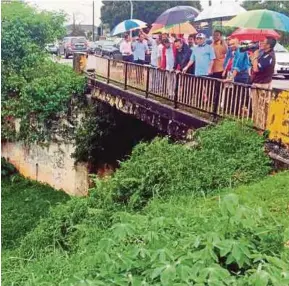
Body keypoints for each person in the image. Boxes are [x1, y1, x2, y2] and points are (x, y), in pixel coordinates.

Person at [250, 37, 276, 128]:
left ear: (268, 45)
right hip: (259, 82)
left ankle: (259, 128)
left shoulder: (269, 56)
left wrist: (255, 58)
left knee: (259, 107)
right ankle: (259, 126)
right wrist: (253, 58)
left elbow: (256, 69)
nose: (261, 43)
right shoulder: (263, 53)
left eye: (263, 42)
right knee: (257, 106)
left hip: (261, 84)